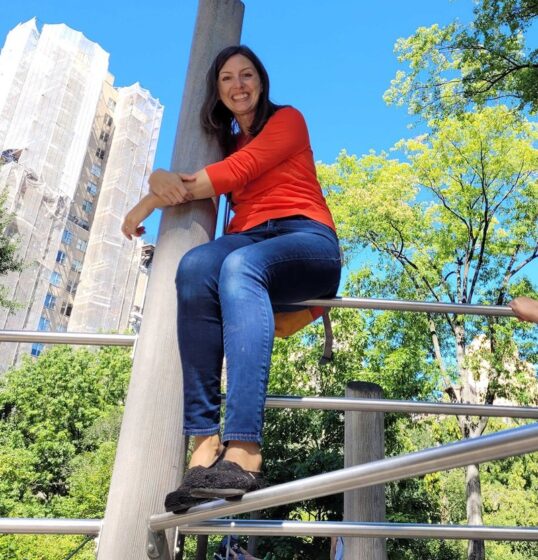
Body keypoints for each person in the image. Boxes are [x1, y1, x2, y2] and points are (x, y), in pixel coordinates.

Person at [122, 45, 341, 511]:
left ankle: (244, 450)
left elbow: (234, 173)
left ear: (261, 82)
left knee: (241, 267)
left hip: (306, 239)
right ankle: (204, 444)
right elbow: (214, 172)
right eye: (226, 78)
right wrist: (161, 175)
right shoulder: (225, 143)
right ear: (217, 91)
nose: (237, 85)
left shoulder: (288, 120)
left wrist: (150, 199)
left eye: (246, 75)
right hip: (248, 240)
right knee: (197, 266)